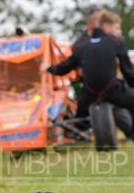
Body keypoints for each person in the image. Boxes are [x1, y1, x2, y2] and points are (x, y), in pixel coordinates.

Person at [47, 10, 134, 138]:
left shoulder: (81, 45)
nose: (120, 31)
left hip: (88, 92)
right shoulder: (115, 42)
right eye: (117, 27)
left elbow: (65, 67)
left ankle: (75, 132)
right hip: (112, 89)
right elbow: (127, 70)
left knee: (81, 117)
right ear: (105, 26)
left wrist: (49, 69)